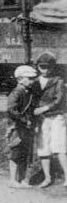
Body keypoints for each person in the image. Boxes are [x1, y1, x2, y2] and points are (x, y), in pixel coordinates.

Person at [32, 52, 66, 188]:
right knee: (43, 148)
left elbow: (59, 100)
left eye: (48, 67)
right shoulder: (34, 82)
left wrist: (44, 108)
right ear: (38, 67)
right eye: (42, 67)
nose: (45, 70)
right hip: (41, 119)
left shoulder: (59, 81)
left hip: (57, 116)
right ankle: (47, 178)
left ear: (53, 67)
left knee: (59, 147)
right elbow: (32, 100)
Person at [6, 64, 40, 188]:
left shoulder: (28, 92)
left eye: (32, 79)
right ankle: (12, 180)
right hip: (16, 127)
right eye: (29, 78)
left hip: (26, 127)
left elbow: (31, 109)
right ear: (20, 79)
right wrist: (24, 120)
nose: (32, 81)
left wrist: (32, 122)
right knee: (16, 152)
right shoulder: (17, 92)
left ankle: (20, 179)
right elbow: (11, 110)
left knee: (24, 153)